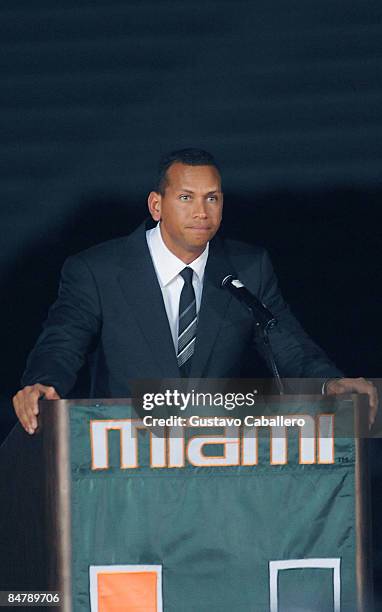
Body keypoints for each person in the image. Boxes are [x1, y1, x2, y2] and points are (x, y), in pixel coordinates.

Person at [13, 148, 377, 434]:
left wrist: (330, 383)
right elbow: (62, 343)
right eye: (186, 198)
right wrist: (42, 384)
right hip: (123, 459)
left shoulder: (247, 267)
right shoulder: (98, 270)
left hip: (214, 459)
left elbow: (287, 345)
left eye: (212, 198)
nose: (202, 212)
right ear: (157, 205)